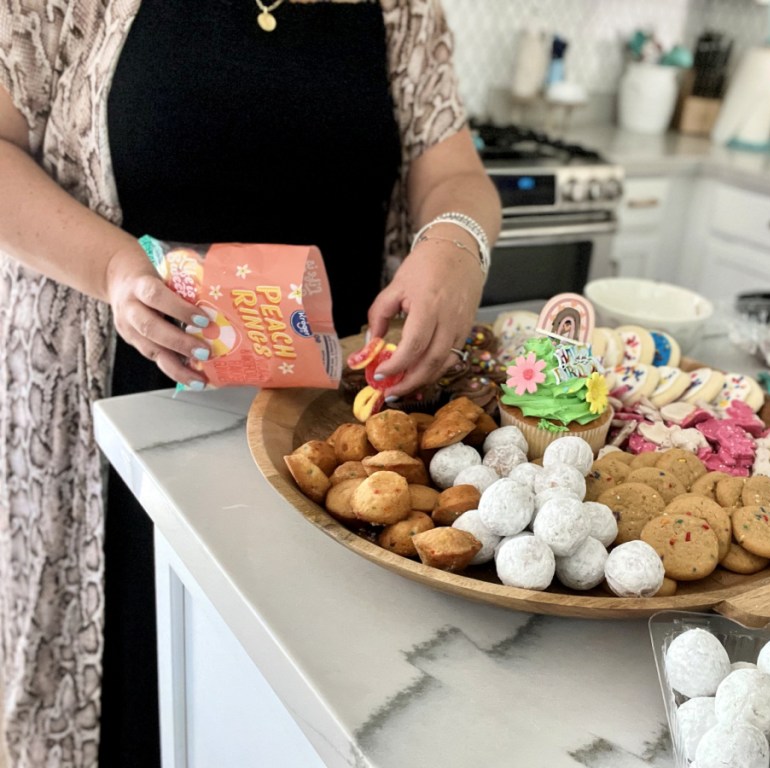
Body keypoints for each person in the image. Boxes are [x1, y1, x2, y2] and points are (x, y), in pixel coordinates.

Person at [0, 1, 501, 766]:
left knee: (309, 709)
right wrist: (111, 267)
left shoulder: (399, 8)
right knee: (139, 688)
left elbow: (455, 173)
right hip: (129, 414)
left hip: (337, 436)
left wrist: (458, 242)